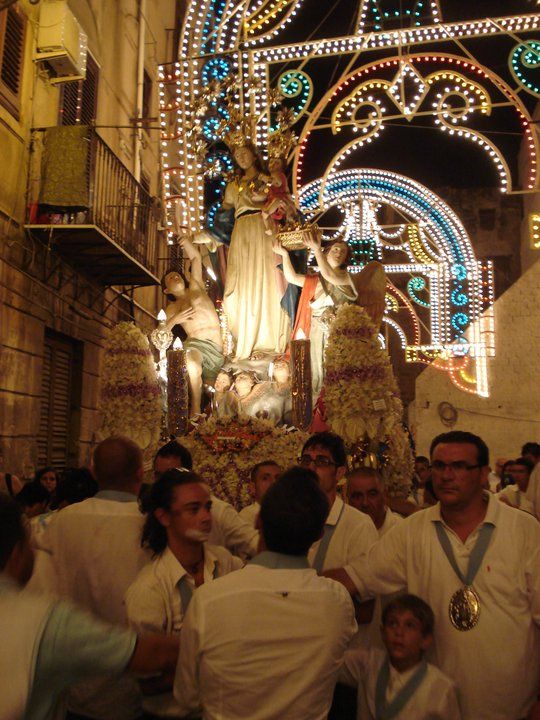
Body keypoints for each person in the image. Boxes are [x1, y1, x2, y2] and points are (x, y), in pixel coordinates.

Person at [351, 430, 540, 720]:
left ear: (483, 474)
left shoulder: (524, 531)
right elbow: (358, 576)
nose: (446, 475)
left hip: (513, 708)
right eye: (439, 466)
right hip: (434, 707)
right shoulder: (412, 531)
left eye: (459, 466)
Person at [173, 466, 357, 719]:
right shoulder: (337, 602)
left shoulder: (209, 600)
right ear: (318, 534)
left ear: (258, 521)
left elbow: (186, 696)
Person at [0, 494, 179, 720]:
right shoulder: (43, 622)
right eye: (30, 544)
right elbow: (151, 654)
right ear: (17, 553)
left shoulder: (63, 520)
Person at [36, 436, 151, 720]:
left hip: (75, 674)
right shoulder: (151, 526)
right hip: (137, 673)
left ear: (93, 472)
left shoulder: (62, 520)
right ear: (140, 473)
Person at [126, 469, 242, 717]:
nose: (206, 517)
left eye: (207, 507)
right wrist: (213, 665)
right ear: (164, 517)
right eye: (193, 509)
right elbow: (146, 683)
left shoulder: (224, 563)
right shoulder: (150, 587)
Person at [195, 139, 292, 360]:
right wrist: (211, 233)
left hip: (263, 229)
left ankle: (267, 342)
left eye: (244, 153)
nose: (241, 158)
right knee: (236, 289)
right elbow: (225, 214)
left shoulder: (267, 179)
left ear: (254, 154)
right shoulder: (233, 185)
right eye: (237, 155)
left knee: (266, 280)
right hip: (241, 233)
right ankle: (245, 340)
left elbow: (282, 200)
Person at [340, 594, 461, 720]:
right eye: (392, 623)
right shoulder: (368, 663)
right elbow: (332, 659)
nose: (399, 632)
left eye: (410, 625)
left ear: (425, 640)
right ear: (383, 633)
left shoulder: (441, 689)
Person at [299, 432, 378, 599]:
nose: (311, 468)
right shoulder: (291, 518)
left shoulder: (358, 525)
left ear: (339, 473)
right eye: (306, 460)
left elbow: (366, 601)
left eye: (321, 461)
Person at [153, 439, 258, 559]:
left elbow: (254, 543)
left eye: (170, 476)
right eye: (158, 476)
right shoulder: (149, 509)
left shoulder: (219, 511)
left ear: (188, 475)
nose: (162, 483)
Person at [162, 235, 224, 416]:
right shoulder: (172, 308)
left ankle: (206, 418)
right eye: (170, 278)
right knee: (192, 364)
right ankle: (195, 408)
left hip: (217, 348)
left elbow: (196, 258)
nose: (175, 276)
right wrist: (175, 319)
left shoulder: (196, 287)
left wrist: (186, 243)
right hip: (195, 345)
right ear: (166, 290)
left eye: (177, 275)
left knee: (212, 394)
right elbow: (160, 333)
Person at [347, 467, 402, 537]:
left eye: (372, 494)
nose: (365, 503)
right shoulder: (342, 531)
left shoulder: (402, 530)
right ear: (348, 499)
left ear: (384, 495)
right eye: (357, 496)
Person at [239, 460, 281, 527]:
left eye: (278, 478)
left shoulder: (291, 513)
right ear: (253, 487)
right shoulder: (247, 516)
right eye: (265, 478)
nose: (274, 482)